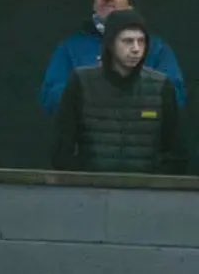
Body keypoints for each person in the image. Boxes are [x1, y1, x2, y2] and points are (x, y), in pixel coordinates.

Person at [53, 10, 187, 174]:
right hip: (91, 189)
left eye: (141, 41)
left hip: (146, 191)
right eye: (128, 41)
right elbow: (62, 148)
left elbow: (175, 152)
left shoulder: (161, 86)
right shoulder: (81, 82)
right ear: (110, 43)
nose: (136, 49)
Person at [40, 0, 185, 115]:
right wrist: (92, 93)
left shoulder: (156, 48)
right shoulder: (70, 48)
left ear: (130, 4)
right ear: (94, 3)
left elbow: (175, 96)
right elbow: (50, 97)